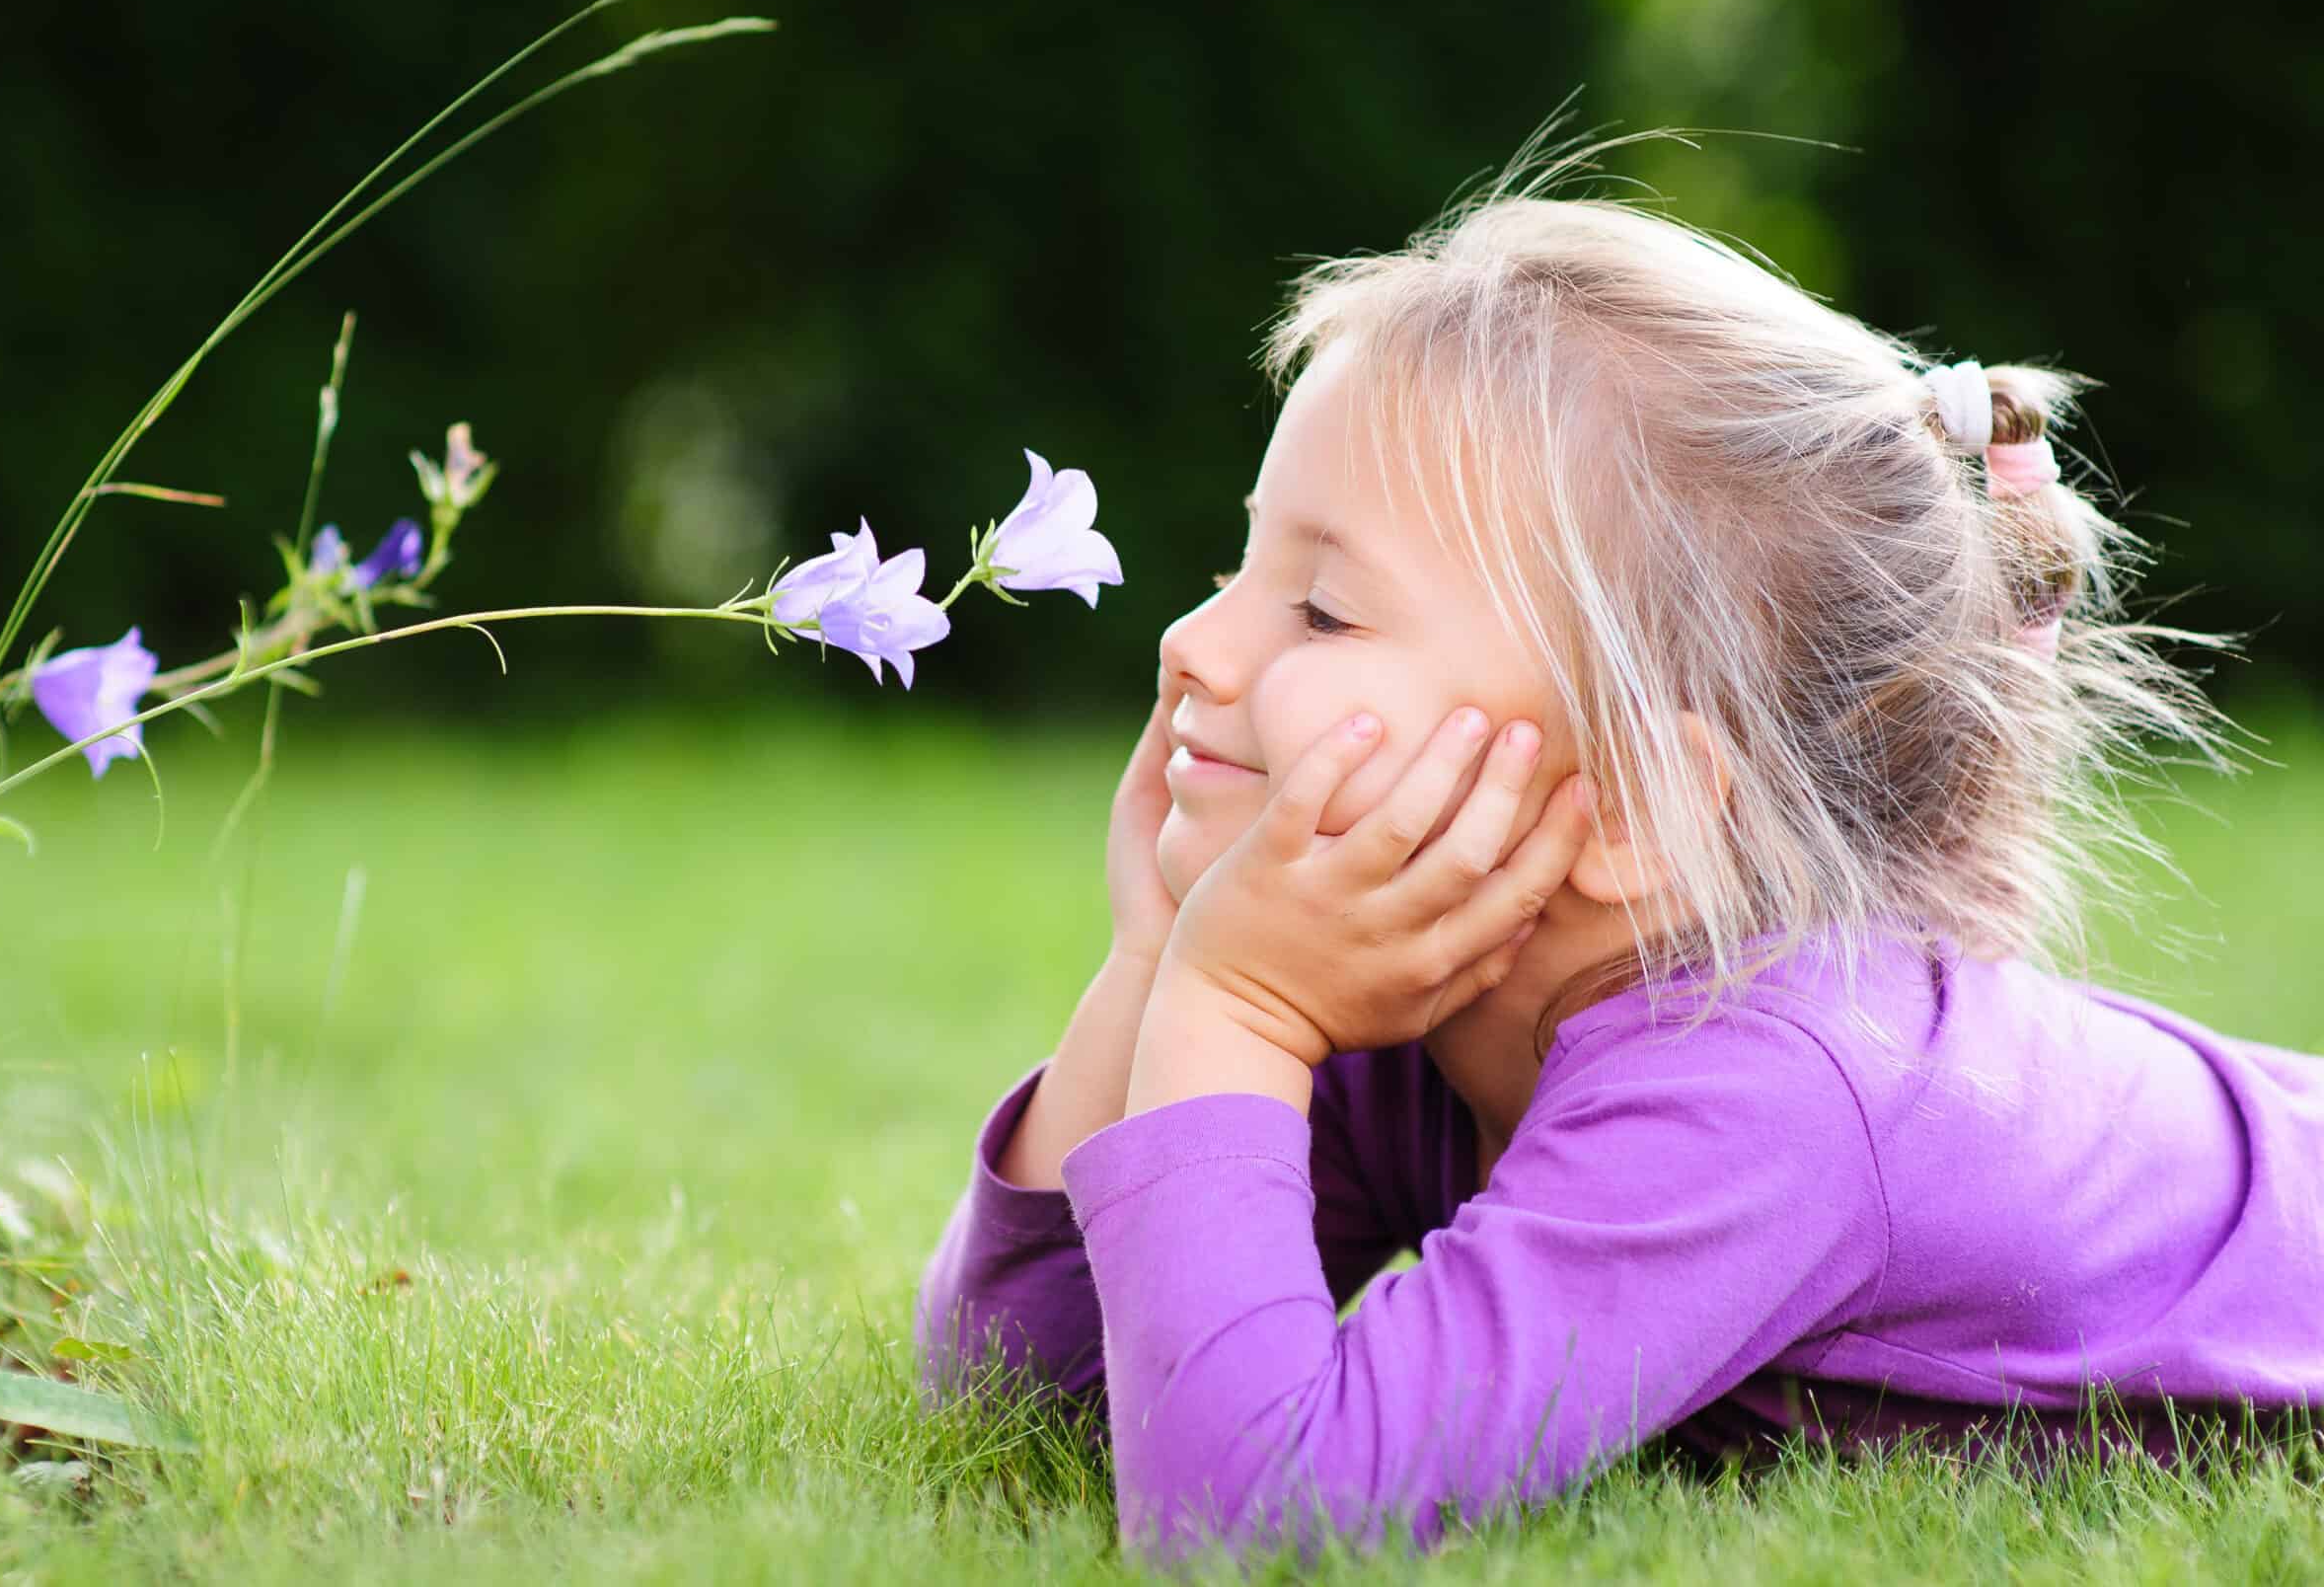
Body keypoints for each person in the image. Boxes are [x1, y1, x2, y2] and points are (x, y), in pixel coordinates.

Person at [910, 132, 2324, 1566]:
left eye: (1323, 610)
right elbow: (1029, 1402)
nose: (1190, 644)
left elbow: (1252, 1520)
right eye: (1239, 568)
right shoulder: (1419, 1010)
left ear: (1640, 804)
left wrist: (1230, 1012)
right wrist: (1155, 965)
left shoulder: (1764, 1091)